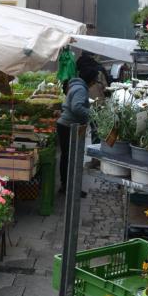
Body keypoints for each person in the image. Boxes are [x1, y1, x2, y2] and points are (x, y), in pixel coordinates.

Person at [57, 66, 100, 197]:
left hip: (66, 125)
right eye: (95, 79)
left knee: (67, 157)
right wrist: (92, 114)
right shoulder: (81, 89)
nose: (96, 82)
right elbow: (76, 107)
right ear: (91, 80)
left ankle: (66, 186)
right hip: (69, 126)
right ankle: (69, 188)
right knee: (70, 158)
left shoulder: (76, 86)